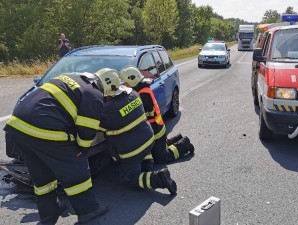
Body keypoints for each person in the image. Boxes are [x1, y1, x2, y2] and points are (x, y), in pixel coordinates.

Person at [3, 68, 120, 224]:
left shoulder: (69, 77)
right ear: (108, 85)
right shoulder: (94, 94)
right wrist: (81, 152)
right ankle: (88, 211)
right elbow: (87, 130)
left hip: (18, 127)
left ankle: (49, 213)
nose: (106, 98)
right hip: (44, 130)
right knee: (77, 171)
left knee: (42, 175)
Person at [99, 82, 177, 195]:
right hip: (148, 140)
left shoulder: (108, 110)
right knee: (144, 157)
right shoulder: (134, 94)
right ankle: (147, 167)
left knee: (129, 177)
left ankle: (158, 178)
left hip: (133, 150)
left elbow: (96, 127)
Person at [119, 66, 194, 170]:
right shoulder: (141, 89)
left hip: (155, 129)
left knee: (161, 158)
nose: (124, 86)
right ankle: (177, 139)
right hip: (156, 127)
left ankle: (184, 145)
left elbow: (144, 114)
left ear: (132, 80)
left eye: (125, 83)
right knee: (159, 148)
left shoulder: (143, 93)